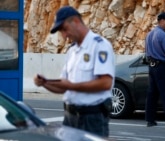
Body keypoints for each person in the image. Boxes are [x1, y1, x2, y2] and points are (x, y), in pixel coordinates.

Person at [33, 6, 115, 138]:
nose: (64, 35)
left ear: (76, 21)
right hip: (70, 117)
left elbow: (105, 83)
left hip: (91, 119)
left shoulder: (99, 45)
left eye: (65, 29)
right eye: (61, 32)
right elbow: (63, 87)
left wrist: (70, 86)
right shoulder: (72, 51)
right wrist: (44, 83)